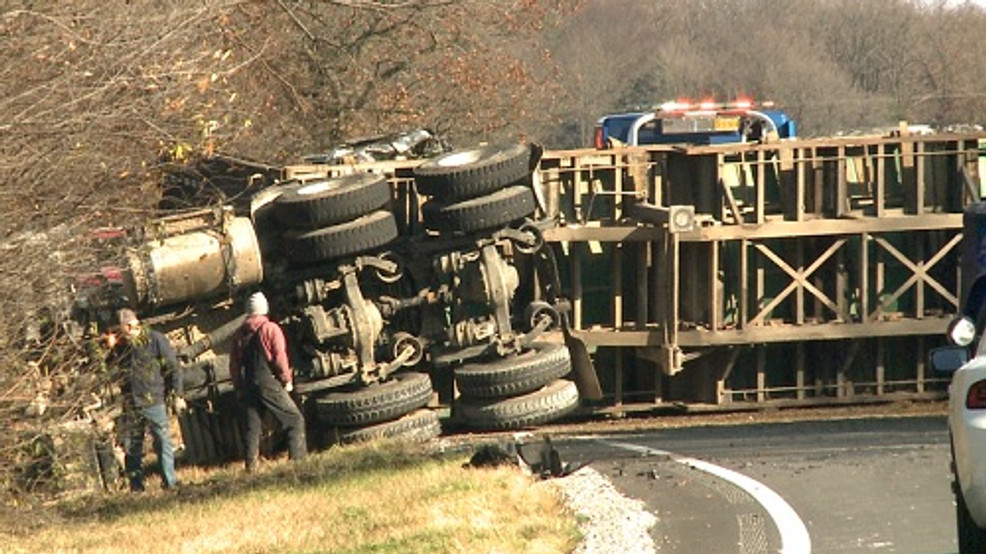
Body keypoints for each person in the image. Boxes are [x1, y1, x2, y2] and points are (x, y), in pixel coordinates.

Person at [229, 291, 307, 472]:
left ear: (247, 310)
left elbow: (234, 365)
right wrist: (286, 379)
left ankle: (251, 468)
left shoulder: (239, 334)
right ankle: (298, 463)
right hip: (267, 382)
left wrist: (239, 387)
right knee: (295, 420)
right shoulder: (270, 329)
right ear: (265, 308)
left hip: (249, 384)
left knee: (252, 429)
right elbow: (280, 357)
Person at [111, 308, 185, 492]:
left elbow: (173, 368)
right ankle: (136, 488)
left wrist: (178, 395)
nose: (119, 335)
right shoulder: (120, 347)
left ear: (129, 326)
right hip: (132, 404)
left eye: (121, 331)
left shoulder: (155, 339)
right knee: (132, 448)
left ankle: (170, 483)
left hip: (154, 401)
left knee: (163, 442)